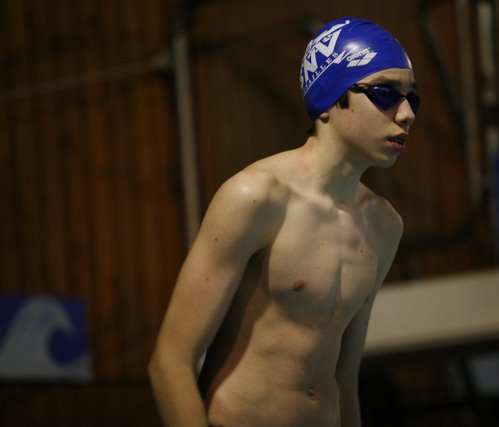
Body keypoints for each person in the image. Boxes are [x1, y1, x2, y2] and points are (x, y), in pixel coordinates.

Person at [148, 16, 420, 427]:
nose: (406, 114)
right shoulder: (256, 197)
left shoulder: (383, 225)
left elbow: (345, 380)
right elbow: (170, 363)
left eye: (412, 98)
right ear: (329, 99)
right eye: (385, 94)